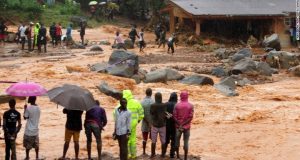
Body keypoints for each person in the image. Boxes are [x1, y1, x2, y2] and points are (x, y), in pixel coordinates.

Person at [122, 90, 144, 159]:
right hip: (134, 124)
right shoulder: (136, 102)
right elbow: (141, 113)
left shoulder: (122, 103)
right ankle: (134, 155)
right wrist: (138, 120)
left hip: (125, 125)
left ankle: (128, 155)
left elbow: (115, 113)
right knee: (133, 139)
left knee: (126, 140)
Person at [173, 91, 194, 160]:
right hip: (187, 127)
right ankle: (185, 158)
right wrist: (183, 124)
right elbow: (190, 117)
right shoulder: (191, 105)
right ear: (187, 96)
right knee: (186, 142)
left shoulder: (177, 105)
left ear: (181, 96)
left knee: (177, 142)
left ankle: (178, 156)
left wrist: (180, 124)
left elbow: (174, 116)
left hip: (178, 127)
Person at [150, 92, 167, 158]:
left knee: (153, 141)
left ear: (155, 98)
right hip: (162, 125)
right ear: (161, 97)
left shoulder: (153, 105)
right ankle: (163, 154)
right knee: (163, 141)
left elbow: (151, 113)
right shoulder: (164, 105)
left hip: (154, 125)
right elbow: (165, 114)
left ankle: (152, 154)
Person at [140, 88, 154, 155]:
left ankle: (144, 152)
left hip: (145, 123)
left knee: (144, 139)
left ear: (146, 93)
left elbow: (141, 114)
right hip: (152, 123)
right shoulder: (153, 102)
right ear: (151, 93)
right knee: (152, 139)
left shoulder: (142, 102)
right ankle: (152, 153)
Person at [165, 92, 178, 158]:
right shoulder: (177, 105)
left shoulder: (166, 104)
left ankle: (163, 153)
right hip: (174, 125)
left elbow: (163, 113)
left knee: (166, 139)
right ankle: (172, 154)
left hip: (167, 124)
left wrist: (168, 115)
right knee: (173, 140)